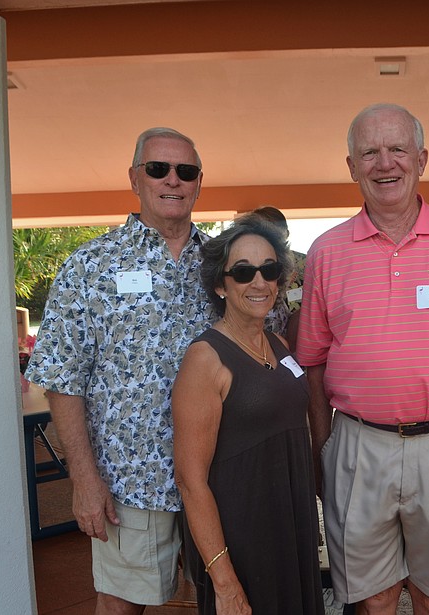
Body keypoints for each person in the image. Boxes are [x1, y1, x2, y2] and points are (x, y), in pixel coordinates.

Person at [297, 103, 429, 614]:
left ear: (422, 159)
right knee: (373, 599)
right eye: (369, 152)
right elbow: (313, 359)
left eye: (397, 149)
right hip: (358, 444)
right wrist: (324, 450)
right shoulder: (326, 252)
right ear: (351, 166)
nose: (384, 163)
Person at [25, 127, 215, 613]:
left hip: (217, 475)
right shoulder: (90, 266)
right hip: (130, 481)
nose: (172, 180)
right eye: (158, 169)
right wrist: (84, 480)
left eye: (185, 171)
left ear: (198, 183)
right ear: (135, 178)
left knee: (226, 598)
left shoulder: (224, 264)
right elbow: (63, 381)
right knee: (121, 606)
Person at [172, 215, 324, 615]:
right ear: (220, 285)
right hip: (244, 534)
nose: (259, 282)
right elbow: (190, 481)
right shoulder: (205, 359)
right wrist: (224, 581)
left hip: (292, 521)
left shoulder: (278, 343)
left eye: (269, 270)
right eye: (243, 272)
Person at [248, 205, 307, 350]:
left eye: (275, 233)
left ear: (286, 233)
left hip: (300, 348)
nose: (270, 239)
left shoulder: (308, 264)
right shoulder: (246, 267)